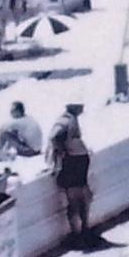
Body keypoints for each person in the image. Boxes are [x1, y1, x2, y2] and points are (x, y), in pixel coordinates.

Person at [49, 103, 93, 248]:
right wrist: (63, 151)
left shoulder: (69, 119)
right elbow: (54, 137)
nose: (83, 108)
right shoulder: (66, 121)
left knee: (77, 198)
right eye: (80, 105)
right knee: (79, 198)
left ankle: (80, 233)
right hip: (76, 161)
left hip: (75, 161)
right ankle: (81, 232)